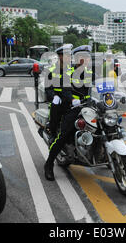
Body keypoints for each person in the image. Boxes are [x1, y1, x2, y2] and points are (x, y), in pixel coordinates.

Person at [44, 45, 93, 181]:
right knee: (63, 135)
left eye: (87, 58)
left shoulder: (82, 71)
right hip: (65, 105)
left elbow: (88, 89)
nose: (67, 58)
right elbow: (60, 89)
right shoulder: (59, 70)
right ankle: (48, 164)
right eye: (65, 55)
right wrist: (58, 97)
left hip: (81, 106)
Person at [45, 44, 74, 143]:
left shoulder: (72, 70)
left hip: (71, 99)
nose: (69, 57)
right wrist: (53, 97)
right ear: (60, 56)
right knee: (55, 110)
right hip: (58, 100)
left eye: (70, 55)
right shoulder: (51, 70)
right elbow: (48, 88)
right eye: (67, 55)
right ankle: (53, 135)